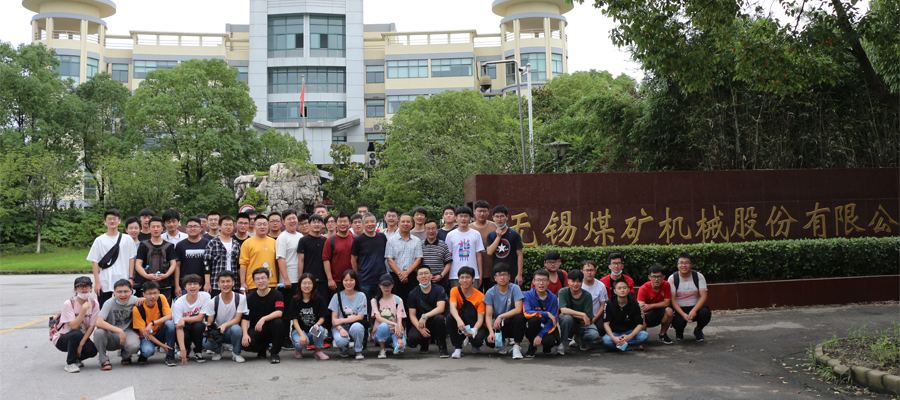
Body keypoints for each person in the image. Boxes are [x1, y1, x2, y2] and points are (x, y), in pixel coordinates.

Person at [88, 209, 137, 307]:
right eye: (109, 219)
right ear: (105, 222)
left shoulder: (127, 239)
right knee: (104, 307)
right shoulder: (99, 240)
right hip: (105, 280)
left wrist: (131, 278)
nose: (112, 221)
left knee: (125, 308)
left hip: (123, 278)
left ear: (119, 221)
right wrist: (97, 282)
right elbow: (95, 262)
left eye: (115, 218)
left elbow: (131, 259)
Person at [52, 276, 100, 373]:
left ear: (91, 288)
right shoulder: (69, 303)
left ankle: (77, 359)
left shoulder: (94, 303)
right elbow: (74, 326)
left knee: (92, 351)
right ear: (75, 289)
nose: (84, 288)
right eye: (81, 286)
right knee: (76, 333)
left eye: (87, 286)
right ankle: (70, 363)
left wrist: (82, 343)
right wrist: (83, 309)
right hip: (63, 338)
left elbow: (92, 326)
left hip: (80, 337)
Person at [93, 279, 141, 370]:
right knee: (99, 332)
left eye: (126, 291)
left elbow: (151, 299)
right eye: (119, 292)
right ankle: (104, 360)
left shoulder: (135, 300)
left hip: (128, 333)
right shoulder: (109, 303)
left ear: (131, 292)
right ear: (114, 293)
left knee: (134, 346)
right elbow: (98, 322)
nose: (123, 295)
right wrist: (119, 330)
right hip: (111, 334)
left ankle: (125, 355)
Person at [201, 270, 248, 363]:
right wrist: (208, 334)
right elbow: (209, 322)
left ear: (233, 283)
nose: (225, 284)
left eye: (228, 281)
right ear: (218, 284)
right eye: (222, 282)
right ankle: (218, 351)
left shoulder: (240, 298)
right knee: (205, 343)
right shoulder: (213, 301)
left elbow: (237, 319)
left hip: (232, 331)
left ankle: (236, 353)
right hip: (218, 332)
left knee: (236, 329)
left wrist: (224, 325)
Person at [241, 268, 285, 363]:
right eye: (257, 279)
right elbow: (245, 318)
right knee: (245, 344)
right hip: (258, 329)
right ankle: (262, 348)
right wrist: (245, 334)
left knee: (278, 322)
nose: (260, 281)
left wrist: (264, 318)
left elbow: (279, 312)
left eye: (263, 278)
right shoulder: (250, 298)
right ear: (254, 282)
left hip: (272, 328)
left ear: (268, 280)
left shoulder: (277, 294)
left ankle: (275, 353)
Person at [483, 263, 526, 359]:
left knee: (519, 317)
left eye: (504, 274)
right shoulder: (490, 292)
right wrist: (491, 332)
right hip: (498, 325)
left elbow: (518, 309)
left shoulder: (515, 288)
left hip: (511, 322)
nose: (502, 277)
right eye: (499, 275)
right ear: (495, 278)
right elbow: (488, 315)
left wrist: (501, 316)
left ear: (509, 277)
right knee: (490, 343)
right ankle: (501, 341)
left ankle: (516, 347)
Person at [406, 264, 449, 357]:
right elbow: (412, 315)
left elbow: (441, 308)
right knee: (413, 338)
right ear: (417, 278)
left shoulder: (439, 289)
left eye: (426, 273)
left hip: (435, 321)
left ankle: (442, 345)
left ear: (431, 276)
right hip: (422, 324)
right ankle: (424, 342)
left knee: (440, 318)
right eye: (421, 274)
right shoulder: (413, 293)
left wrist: (425, 316)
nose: (423, 276)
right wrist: (420, 329)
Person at [668, 253, 711, 342]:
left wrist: (694, 310)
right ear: (677, 264)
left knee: (705, 313)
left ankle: (698, 330)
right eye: (681, 263)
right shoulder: (673, 278)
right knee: (678, 321)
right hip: (679, 308)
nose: (684, 266)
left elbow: (704, 296)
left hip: (695, 307)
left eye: (687, 263)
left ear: (691, 264)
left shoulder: (698, 276)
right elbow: (673, 299)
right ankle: (679, 331)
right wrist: (683, 314)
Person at [447, 266, 488, 359]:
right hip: (461, 322)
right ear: (459, 280)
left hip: (474, 322)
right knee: (450, 318)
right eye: (462, 277)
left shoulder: (480, 296)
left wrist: (474, 330)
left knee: (477, 341)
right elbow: (452, 307)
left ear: (473, 279)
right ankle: (458, 347)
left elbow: (480, 319)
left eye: (468, 277)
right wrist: (458, 320)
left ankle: (475, 344)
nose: (465, 280)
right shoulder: (454, 290)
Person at [131, 281, 175, 366]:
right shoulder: (137, 308)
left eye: (155, 293)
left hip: (159, 332)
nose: (152, 296)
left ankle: (170, 355)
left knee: (170, 324)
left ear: (159, 292)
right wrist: (162, 345)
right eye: (149, 294)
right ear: (144, 294)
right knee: (147, 351)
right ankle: (143, 353)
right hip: (146, 336)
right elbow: (144, 332)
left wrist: (152, 323)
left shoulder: (161, 298)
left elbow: (169, 316)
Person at [287, 273, 330, 360]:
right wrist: (302, 334)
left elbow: (322, 318)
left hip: (312, 330)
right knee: (300, 343)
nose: (307, 286)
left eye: (309, 283)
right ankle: (298, 350)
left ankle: (318, 351)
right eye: (304, 283)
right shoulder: (294, 300)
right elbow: (295, 321)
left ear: (313, 285)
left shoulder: (319, 299)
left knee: (320, 329)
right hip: (299, 330)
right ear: (300, 285)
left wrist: (317, 325)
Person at [172, 274, 212, 364]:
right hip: (184, 327)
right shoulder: (179, 303)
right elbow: (178, 327)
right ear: (185, 287)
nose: (192, 286)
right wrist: (182, 349)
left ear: (200, 286)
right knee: (177, 329)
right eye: (189, 284)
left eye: (195, 284)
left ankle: (198, 351)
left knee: (199, 326)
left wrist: (184, 319)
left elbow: (200, 317)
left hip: (197, 325)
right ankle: (186, 349)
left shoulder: (205, 296)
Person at [135, 217, 178, 300]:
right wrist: (146, 276)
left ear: (162, 228)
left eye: (158, 226)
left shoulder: (169, 246)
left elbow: (173, 264)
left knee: (165, 306)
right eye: (153, 226)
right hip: (147, 284)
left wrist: (166, 275)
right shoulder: (143, 245)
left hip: (165, 284)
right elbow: (138, 264)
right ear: (149, 228)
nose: (156, 229)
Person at [558, 269, 600, 353]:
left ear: (582, 282)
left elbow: (588, 318)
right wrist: (582, 315)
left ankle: (582, 341)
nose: (576, 284)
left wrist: (569, 313)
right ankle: (563, 343)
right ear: (568, 281)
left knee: (594, 335)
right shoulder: (563, 292)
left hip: (582, 325)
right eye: (573, 281)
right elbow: (563, 309)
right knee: (566, 318)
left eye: (579, 281)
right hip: (570, 323)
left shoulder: (587, 295)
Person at [329, 270, 368, 360]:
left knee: (357, 327)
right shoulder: (336, 296)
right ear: (342, 282)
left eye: (351, 280)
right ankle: (344, 350)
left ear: (356, 281)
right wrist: (341, 329)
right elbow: (334, 320)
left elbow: (360, 316)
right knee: (342, 341)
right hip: (340, 326)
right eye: (346, 280)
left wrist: (341, 320)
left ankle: (358, 350)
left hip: (354, 324)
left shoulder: (361, 296)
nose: (348, 283)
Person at [444, 206, 485, 289]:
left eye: (466, 216)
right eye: (461, 216)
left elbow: (478, 255)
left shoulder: (476, 234)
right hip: (455, 275)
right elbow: (448, 256)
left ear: (470, 218)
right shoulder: (450, 235)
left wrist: (480, 274)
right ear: (456, 218)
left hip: (473, 275)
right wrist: (447, 275)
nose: (463, 219)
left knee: (472, 296)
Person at [602, 280, 648, 351]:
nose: (622, 290)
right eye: (619, 288)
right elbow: (606, 323)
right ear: (615, 291)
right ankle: (631, 347)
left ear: (628, 290)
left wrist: (629, 337)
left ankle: (619, 346)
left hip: (630, 332)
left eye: (624, 288)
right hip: (615, 332)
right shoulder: (609, 304)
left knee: (644, 335)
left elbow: (640, 324)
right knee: (606, 341)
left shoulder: (634, 303)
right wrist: (614, 338)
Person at [351, 212, 388, 301]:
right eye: (367, 222)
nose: (370, 224)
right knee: (365, 305)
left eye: (372, 221)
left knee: (381, 304)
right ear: (363, 224)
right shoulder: (358, 240)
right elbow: (353, 260)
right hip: (365, 279)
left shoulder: (382, 237)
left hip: (381, 278)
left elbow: (385, 256)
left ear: (376, 223)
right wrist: (357, 275)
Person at [523, 269, 560, 357]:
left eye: (544, 280)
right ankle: (532, 346)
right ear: (533, 281)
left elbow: (553, 319)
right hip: (532, 326)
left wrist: (540, 335)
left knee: (549, 342)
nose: (541, 283)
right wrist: (546, 313)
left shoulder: (553, 298)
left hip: (546, 326)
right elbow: (527, 313)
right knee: (534, 320)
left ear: (548, 282)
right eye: (538, 280)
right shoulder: (527, 295)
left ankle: (546, 346)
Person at [385, 213, 423, 301]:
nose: (405, 224)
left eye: (408, 222)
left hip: (412, 276)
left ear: (411, 224)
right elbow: (389, 259)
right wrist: (400, 274)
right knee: (396, 301)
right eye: (403, 222)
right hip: (395, 276)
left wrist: (407, 273)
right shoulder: (391, 240)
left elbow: (418, 259)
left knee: (412, 301)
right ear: (398, 224)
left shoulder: (417, 241)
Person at [486, 205, 524, 286]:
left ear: (507, 217)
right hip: (496, 275)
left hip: (511, 274)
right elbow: (489, 252)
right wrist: (498, 237)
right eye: (497, 216)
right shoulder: (491, 235)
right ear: (493, 218)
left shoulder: (514, 234)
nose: (499, 219)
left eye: (502, 216)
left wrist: (519, 274)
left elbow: (520, 255)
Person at [239, 215, 278, 293]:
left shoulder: (274, 242)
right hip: (253, 284)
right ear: (254, 226)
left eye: (264, 224)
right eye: (259, 224)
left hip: (271, 283)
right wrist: (242, 283)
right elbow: (243, 264)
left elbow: (277, 263)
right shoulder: (247, 243)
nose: (262, 227)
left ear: (268, 225)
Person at [371, 274, 407, 359]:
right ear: (379, 286)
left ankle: (395, 344)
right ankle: (382, 348)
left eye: (388, 285)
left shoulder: (398, 300)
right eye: (384, 285)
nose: (386, 288)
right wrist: (394, 324)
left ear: (392, 285)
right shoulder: (375, 301)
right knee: (384, 325)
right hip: (381, 332)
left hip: (395, 331)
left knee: (401, 347)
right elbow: (378, 318)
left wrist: (399, 336)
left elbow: (399, 319)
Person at [638, 264, 676, 344]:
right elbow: (641, 307)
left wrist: (651, 305)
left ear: (663, 277)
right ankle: (642, 337)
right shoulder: (643, 288)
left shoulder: (666, 284)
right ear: (649, 277)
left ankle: (662, 335)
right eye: (654, 276)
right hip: (646, 315)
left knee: (669, 311)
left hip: (658, 312)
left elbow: (667, 303)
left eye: (659, 276)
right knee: (641, 313)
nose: (656, 279)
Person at [204, 215, 240, 297]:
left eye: (230, 225)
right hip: (216, 284)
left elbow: (239, 265)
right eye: (226, 225)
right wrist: (207, 283)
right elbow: (207, 264)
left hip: (233, 283)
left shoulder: (236, 244)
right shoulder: (212, 243)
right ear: (219, 227)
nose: (228, 227)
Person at [174, 217, 209, 297]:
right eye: (190, 226)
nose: (192, 229)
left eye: (195, 226)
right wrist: (177, 285)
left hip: (203, 285)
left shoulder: (207, 244)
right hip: (185, 285)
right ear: (186, 229)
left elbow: (209, 265)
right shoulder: (180, 245)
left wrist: (207, 283)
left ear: (200, 228)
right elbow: (177, 266)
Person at [323, 212, 354, 299]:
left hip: (351, 281)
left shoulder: (354, 240)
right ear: (336, 224)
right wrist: (330, 279)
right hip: (335, 282)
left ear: (349, 224)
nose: (342, 224)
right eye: (340, 222)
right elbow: (326, 260)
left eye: (345, 221)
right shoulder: (330, 240)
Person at [297, 214, 328, 300]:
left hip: (323, 279)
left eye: (319, 222)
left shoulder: (325, 241)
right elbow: (301, 261)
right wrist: (301, 279)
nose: (316, 224)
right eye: (314, 222)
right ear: (309, 224)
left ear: (323, 225)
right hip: (308, 279)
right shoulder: (303, 240)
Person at [471, 200, 498, 290]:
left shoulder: (495, 227)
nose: (482, 214)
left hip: (491, 270)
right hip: (474, 271)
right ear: (474, 212)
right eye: (479, 211)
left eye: (484, 211)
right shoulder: (469, 228)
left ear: (488, 212)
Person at [276, 210, 303, 297]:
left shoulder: (300, 236)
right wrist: (286, 279)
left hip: (300, 278)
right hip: (289, 280)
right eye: (289, 219)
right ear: (283, 222)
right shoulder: (283, 237)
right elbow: (280, 259)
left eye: (294, 218)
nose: (292, 221)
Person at [580, 260, 609, 338]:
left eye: (592, 270)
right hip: (581, 316)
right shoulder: (578, 285)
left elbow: (603, 305)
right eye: (587, 270)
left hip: (597, 316)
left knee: (602, 328)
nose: (589, 273)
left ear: (595, 271)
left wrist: (594, 319)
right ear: (582, 271)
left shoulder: (601, 285)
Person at [421, 219, 452, 291]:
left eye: (433, 228)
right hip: (424, 280)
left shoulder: (443, 245)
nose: (431, 231)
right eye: (428, 229)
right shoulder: (420, 245)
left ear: (437, 230)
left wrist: (441, 276)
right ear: (425, 231)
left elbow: (448, 263)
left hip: (439, 280)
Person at [124, 217, 143, 297]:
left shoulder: (143, 246)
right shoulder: (122, 246)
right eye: (131, 228)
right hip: (124, 279)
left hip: (140, 280)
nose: (133, 230)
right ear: (126, 230)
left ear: (140, 229)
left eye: (136, 228)